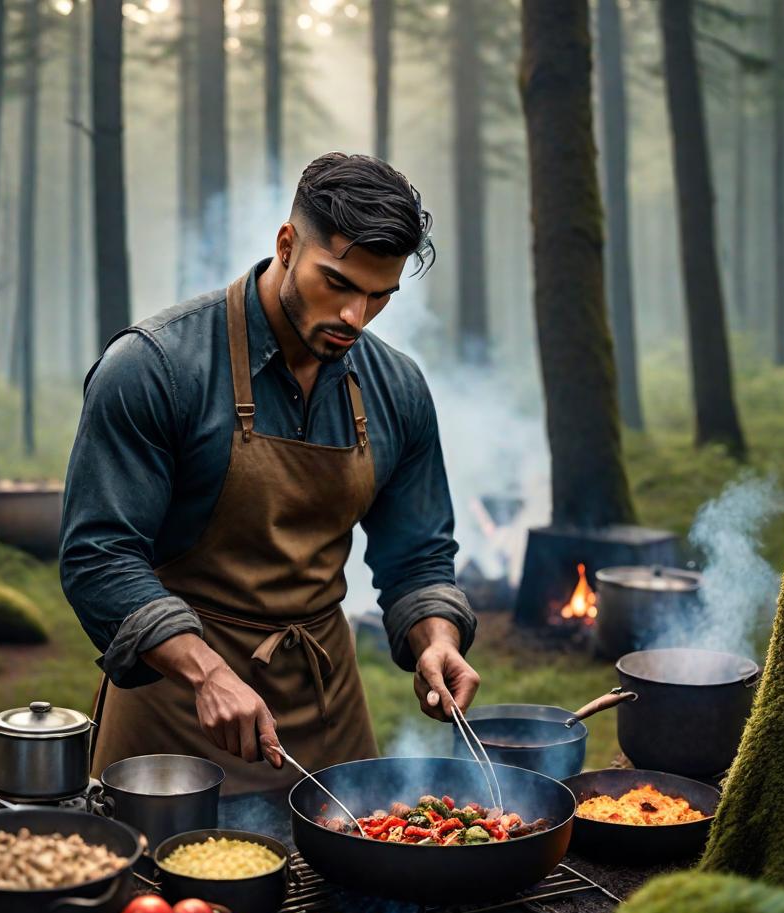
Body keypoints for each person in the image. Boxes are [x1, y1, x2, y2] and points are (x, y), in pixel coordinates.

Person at [60, 152, 479, 793]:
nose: (355, 317)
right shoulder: (155, 367)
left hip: (329, 713)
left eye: (378, 296)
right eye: (337, 284)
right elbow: (99, 555)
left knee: (355, 886)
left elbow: (418, 556)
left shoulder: (397, 387)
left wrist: (436, 636)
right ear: (286, 244)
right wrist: (204, 673)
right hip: (177, 718)